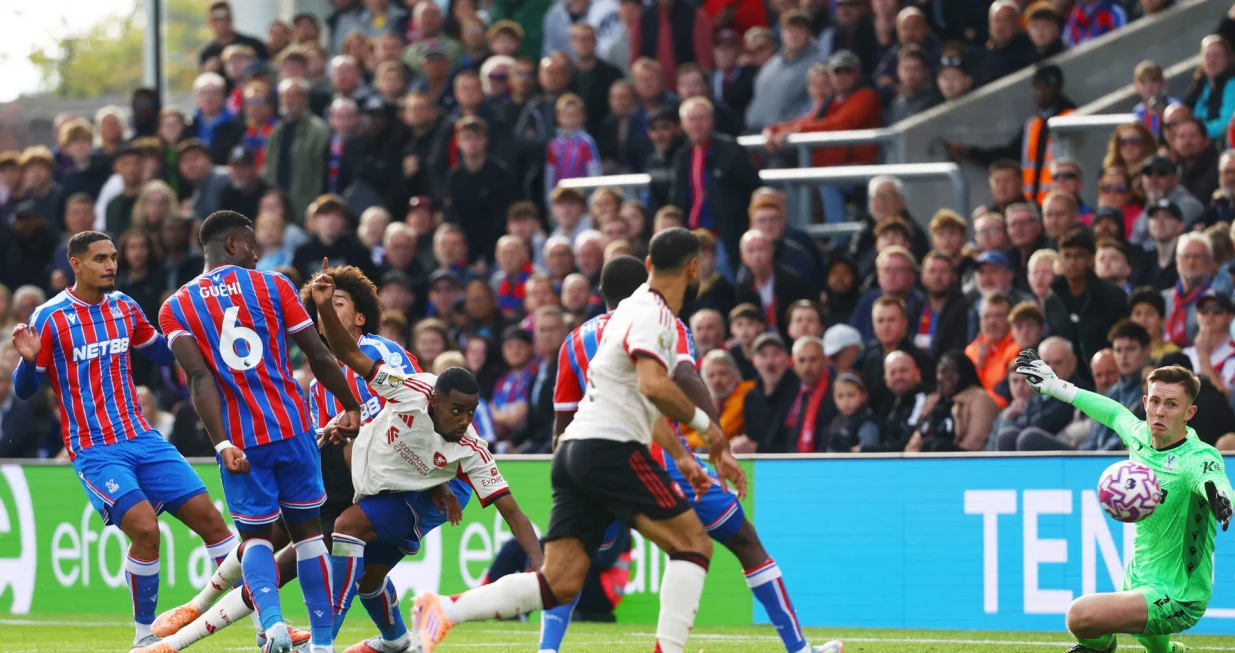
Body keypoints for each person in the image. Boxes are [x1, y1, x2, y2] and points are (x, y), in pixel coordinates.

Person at [409, 229, 746, 653]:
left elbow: (640, 399)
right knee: (693, 544)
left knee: (560, 581)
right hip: (611, 449)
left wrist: (683, 455)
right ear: (693, 268)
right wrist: (711, 433)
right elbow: (654, 388)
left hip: (574, 449)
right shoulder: (656, 316)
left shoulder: (611, 322)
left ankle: (445, 608)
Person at [548, 255, 837, 653]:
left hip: (595, 464)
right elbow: (687, 377)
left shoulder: (575, 340)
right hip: (661, 460)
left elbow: (562, 423)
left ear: (600, 294)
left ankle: (547, 649)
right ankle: (798, 648)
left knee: (570, 563)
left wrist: (565, 481)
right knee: (741, 543)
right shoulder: (661, 322)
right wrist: (717, 440)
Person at [148, 265, 425, 652]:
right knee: (279, 541)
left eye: (338, 303)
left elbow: (413, 410)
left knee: (285, 559)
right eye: (317, 306)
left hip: (380, 489)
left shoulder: (377, 351)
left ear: (360, 317)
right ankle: (394, 641)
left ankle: (182, 639)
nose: (324, 310)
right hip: (343, 486)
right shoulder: (319, 381)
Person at [10, 231, 239, 652]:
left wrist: (193, 325)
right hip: (95, 448)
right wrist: (27, 362)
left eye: (113, 257)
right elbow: (25, 390)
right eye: (100, 259)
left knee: (213, 523)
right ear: (76, 264)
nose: (111, 265)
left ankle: (266, 625)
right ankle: (144, 636)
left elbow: (161, 353)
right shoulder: (50, 316)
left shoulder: (125, 307)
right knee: (146, 531)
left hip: (143, 438)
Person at [306, 264, 544, 653]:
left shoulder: (471, 449)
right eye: (457, 412)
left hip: (436, 491)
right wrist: (325, 307)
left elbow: (513, 512)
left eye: (472, 412)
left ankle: (321, 644)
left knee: (346, 528)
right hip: (400, 478)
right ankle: (397, 640)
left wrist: (541, 568)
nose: (465, 421)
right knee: (368, 577)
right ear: (433, 400)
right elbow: (346, 352)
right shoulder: (410, 390)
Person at [158, 211, 364, 653]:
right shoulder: (275, 286)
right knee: (308, 535)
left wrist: (222, 441)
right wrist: (351, 403)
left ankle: (272, 628)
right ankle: (324, 643)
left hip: (241, 441)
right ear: (231, 244)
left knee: (255, 538)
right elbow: (319, 355)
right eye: (251, 244)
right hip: (292, 428)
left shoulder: (175, 307)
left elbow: (199, 379)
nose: (257, 253)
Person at [1014, 352, 1233, 653]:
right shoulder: (1139, 436)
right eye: (1154, 401)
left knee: (1080, 616)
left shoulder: (1198, 457)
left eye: (1171, 405)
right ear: (1145, 403)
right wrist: (1055, 386)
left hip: (1180, 594)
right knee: (1152, 641)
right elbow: (1112, 411)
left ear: (1189, 412)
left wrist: (1221, 498)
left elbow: (1212, 480)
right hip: (1138, 577)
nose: (1159, 411)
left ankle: (1100, 648)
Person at [905, 350, 998, 452]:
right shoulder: (933, 400)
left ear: (964, 373)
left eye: (951, 372)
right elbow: (915, 442)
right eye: (941, 371)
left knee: (937, 446)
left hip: (963, 461)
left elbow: (974, 444)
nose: (943, 377)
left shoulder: (980, 400)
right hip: (926, 462)